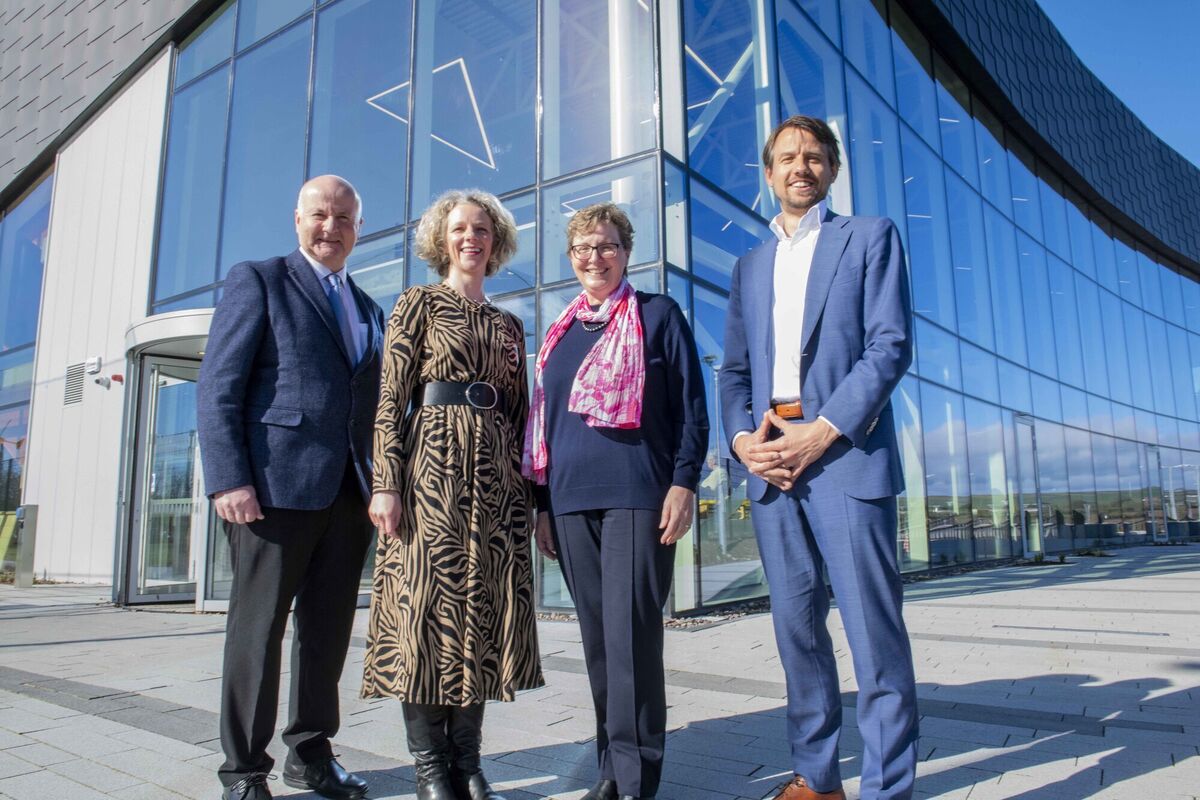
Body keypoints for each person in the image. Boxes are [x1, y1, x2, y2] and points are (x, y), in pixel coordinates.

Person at [719, 116, 918, 800]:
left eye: (813, 156)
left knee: (874, 638)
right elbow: (735, 373)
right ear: (769, 174)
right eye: (786, 157)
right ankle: (817, 779)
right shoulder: (749, 265)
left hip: (843, 455)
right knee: (796, 633)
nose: (799, 167)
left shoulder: (869, 238)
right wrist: (744, 441)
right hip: (771, 464)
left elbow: (889, 346)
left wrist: (825, 428)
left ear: (830, 169)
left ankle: (888, 790)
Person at [198, 175, 384, 800]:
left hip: (348, 495)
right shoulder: (259, 279)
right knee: (259, 630)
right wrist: (229, 477)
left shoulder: (368, 307)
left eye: (344, 218)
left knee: (327, 631)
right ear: (297, 219)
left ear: (358, 228)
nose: (331, 227)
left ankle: (310, 754)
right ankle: (244, 771)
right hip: (272, 489)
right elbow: (219, 384)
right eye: (320, 215)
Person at [362, 189, 544, 800]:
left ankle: (467, 761)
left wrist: (529, 496)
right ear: (443, 238)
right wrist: (386, 481)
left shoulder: (508, 323)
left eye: (483, 230)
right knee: (425, 613)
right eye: (461, 228)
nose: (472, 238)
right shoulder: (415, 304)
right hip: (430, 470)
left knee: (480, 617)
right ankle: (429, 767)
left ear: (497, 243)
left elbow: (521, 416)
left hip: (495, 480)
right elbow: (390, 400)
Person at [524, 203, 709, 800]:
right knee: (599, 640)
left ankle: (633, 779)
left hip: (637, 494)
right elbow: (543, 426)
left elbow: (692, 410)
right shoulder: (559, 334)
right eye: (581, 248)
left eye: (604, 246)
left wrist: (683, 482)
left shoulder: (657, 316)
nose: (593, 257)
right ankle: (610, 763)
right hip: (571, 501)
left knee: (632, 636)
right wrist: (543, 505)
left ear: (625, 252)